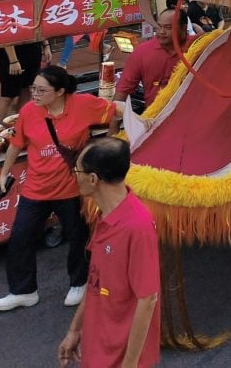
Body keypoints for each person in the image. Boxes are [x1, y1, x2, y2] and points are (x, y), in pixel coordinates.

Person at [0, 66, 123, 312]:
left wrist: (140, 121)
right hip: (35, 189)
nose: (35, 93)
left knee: (78, 237)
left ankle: (79, 283)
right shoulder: (29, 111)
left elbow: (115, 109)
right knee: (21, 238)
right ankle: (23, 291)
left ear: (61, 91)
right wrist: (3, 174)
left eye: (41, 90)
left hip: (72, 189)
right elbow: (15, 144)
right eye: (33, 88)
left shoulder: (82, 104)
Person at [58, 138, 160, 368]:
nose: (75, 176)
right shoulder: (104, 215)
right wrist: (74, 330)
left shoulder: (137, 227)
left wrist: (130, 363)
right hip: (98, 346)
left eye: (77, 171)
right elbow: (97, 279)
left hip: (120, 356)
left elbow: (148, 299)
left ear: (93, 179)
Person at [0, 0, 52, 117]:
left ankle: (20, 124)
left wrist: (46, 45)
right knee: (8, 96)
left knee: (28, 90)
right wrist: (13, 60)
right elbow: (4, 32)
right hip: (11, 54)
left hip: (32, 50)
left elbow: (40, 23)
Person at [112, 8, 192, 117]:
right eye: (159, 26)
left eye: (168, 27)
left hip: (192, 116)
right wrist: (113, 128)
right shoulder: (142, 52)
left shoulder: (197, 47)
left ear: (184, 28)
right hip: (154, 119)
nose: (161, 32)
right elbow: (122, 91)